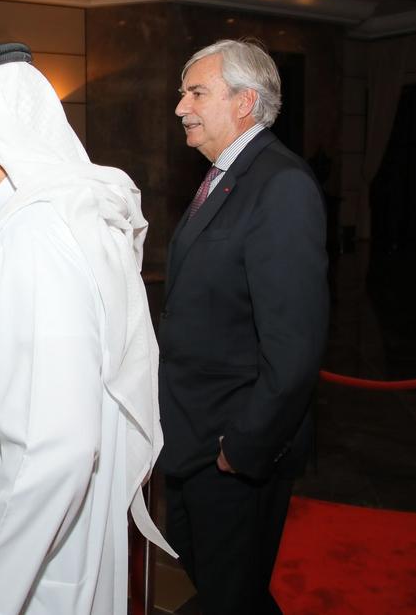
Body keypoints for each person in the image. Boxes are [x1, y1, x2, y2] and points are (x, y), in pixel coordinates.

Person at [0, 43, 171, 614]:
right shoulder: (26, 224)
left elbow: (53, 452)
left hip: (17, 585)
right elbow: (18, 386)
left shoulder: (37, 239)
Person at [158, 39, 329, 615]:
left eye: (196, 93)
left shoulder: (281, 184)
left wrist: (246, 446)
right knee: (220, 580)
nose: (180, 106)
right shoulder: (224, 176)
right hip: (195, 434)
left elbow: (295, 344)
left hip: (233, 443)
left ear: (244, 101)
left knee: (232, 591)